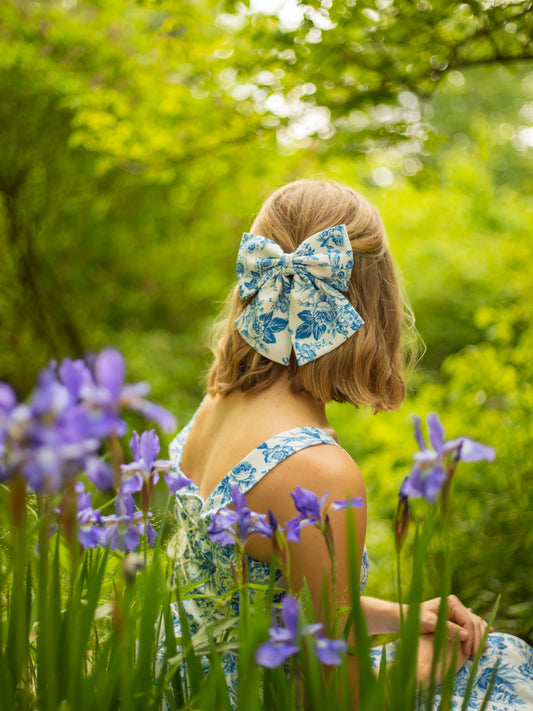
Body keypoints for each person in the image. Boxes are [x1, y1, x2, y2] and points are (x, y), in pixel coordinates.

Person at [165, 180, 533, 708]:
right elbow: (335, 697)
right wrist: (433, 660)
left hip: (185, 680)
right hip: (253, 695)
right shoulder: (316, 470)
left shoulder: (217, 402)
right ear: (374, 299)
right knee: (502, 663)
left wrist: (402, 615)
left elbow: (261, 600)